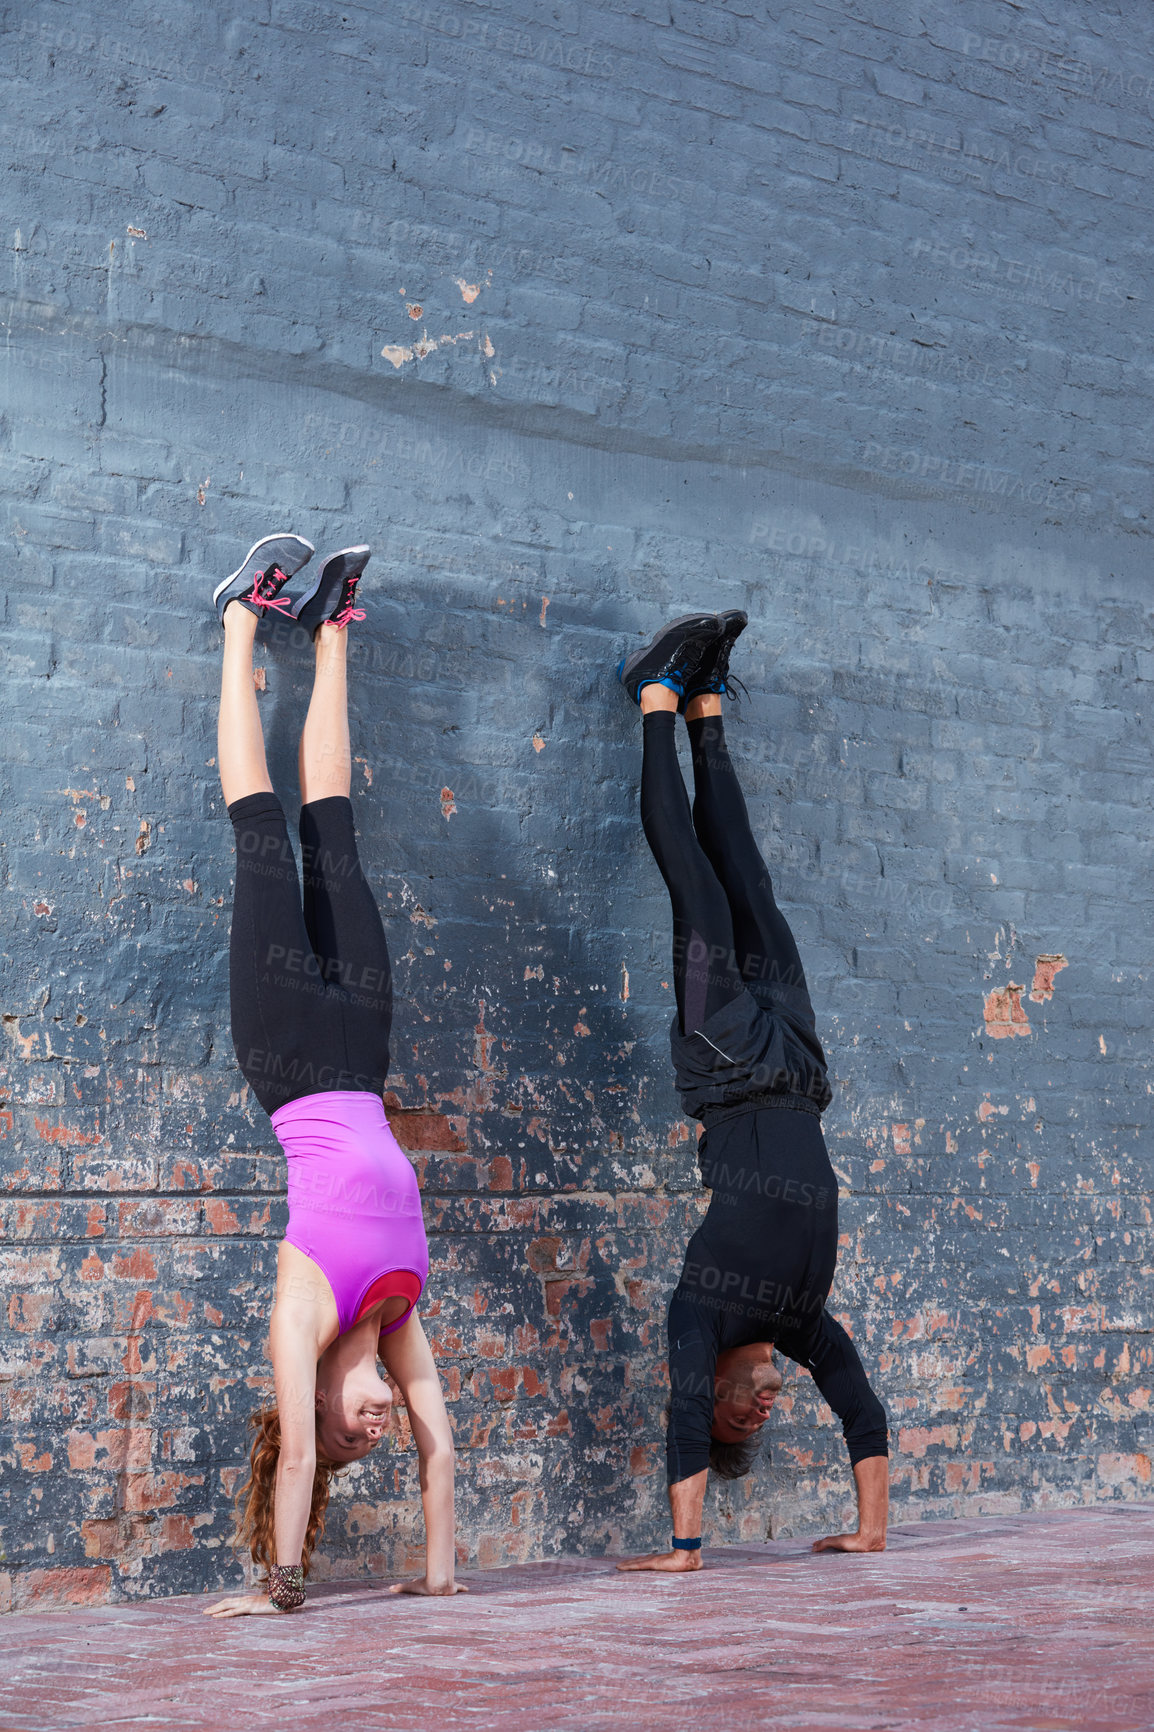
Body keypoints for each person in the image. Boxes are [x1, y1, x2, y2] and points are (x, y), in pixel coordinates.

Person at [203, 534, 464, 1615]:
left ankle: (238, 621)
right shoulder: (398, 1314)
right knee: (338, 839)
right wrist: (438, 1576)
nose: (375, 1429)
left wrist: (282, 1586)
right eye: (375, 1434)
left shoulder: (302, 1318)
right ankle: (332, 626)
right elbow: (441, 1449)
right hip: (361, 1051)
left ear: (313, 1400)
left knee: (263, 839)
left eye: (353, 1429)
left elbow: (298, 1467)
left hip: (286, 1059)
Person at [613, 612, 889, 1575]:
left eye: (745, 1412)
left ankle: (651, 694)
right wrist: (873, 1528)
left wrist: (687, 1548)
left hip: (726, 1065)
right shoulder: (801, 1321)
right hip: (801, 1067)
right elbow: (860, 1406)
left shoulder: (702, 1316)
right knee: (752, 881)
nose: (761, 1407)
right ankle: (707, 705)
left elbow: (683, 1409)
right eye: (759, 1416)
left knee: (694, 883)